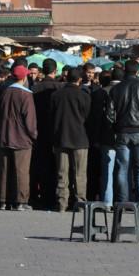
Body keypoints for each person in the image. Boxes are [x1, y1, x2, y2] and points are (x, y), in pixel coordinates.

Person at [108, 60, 139, 206]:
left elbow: (109, 115)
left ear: (124, 70)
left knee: (122, 169)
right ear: (137, 71)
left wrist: (116, 130)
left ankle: (122, 202)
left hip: (122, 132)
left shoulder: (116, 89)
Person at [0, 65, 37, 211]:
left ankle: (3, 200)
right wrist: (34, 135)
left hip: (5, 135)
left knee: (4, 170)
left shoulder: (5, 92)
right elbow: (30, 120)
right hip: (22, 138)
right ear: (24, 77)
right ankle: (21, 201)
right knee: (21, 171)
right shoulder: (26, 95)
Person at [50, 68, 91, 212]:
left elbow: (52, 116)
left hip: (61, 138)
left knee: (62, 173)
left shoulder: (56, 95)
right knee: (80, 173)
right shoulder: (84, 95)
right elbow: (87, 116)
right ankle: (80, 203)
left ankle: (62, 203)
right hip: (80, 138)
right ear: (79, 79)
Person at [31, 59, 64, 209]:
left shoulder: (35, 88)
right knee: (56, 166)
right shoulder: (60, 88)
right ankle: (54, 196)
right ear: (55, 70)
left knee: (39, 164)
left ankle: (40, 196)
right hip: (56, 131)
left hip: (39, 130)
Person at [90, 67, 123, 208]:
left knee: (107, 170)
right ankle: (122, 200)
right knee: (123, 169)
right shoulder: (125, 91)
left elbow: (96, 118)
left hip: (106, 136)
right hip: (123, 136)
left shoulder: (99, 93)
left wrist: (95, 138)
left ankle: (107, 201)